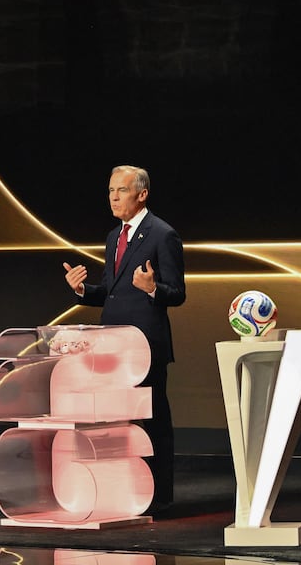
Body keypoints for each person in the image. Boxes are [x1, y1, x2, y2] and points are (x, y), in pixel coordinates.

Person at [62, 165, 185, 514]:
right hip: (113, 346)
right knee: (118, 421)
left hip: (146, 345)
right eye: (110, 191)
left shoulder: (163, 235)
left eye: (122, 190)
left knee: (153, 418)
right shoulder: (114, 237)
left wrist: (154, 289)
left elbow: (177, 293)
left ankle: (158, 496)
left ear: (142, 194)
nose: (114, 197)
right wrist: (83, 289)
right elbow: (111, 293)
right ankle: (127, 491)